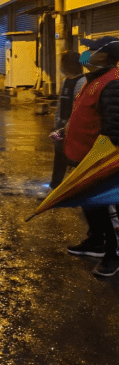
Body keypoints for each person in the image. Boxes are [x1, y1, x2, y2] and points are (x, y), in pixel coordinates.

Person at [63, 36, 119, 277]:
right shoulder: (94, 79)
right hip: (84, 158)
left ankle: (113, 255)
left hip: (99, 161)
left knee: (106, 209)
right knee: (91, 205)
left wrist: (101, 160)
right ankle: (96, 242)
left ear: (105, 56)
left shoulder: (113, 83)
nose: (86, 54)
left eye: (91, 50)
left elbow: (114, 127)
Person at [49, 51, 86, 189]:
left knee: (73, 156)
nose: (60, 67)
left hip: (73, 127)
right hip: (61, 126)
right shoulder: (65, 81)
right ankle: (55, 185)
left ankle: (77, 186)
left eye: (62, 63)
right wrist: (56, 125)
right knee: (58, 154)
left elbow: (78, 107)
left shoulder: (81, 81)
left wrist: (69, 125)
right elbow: (60, 104)